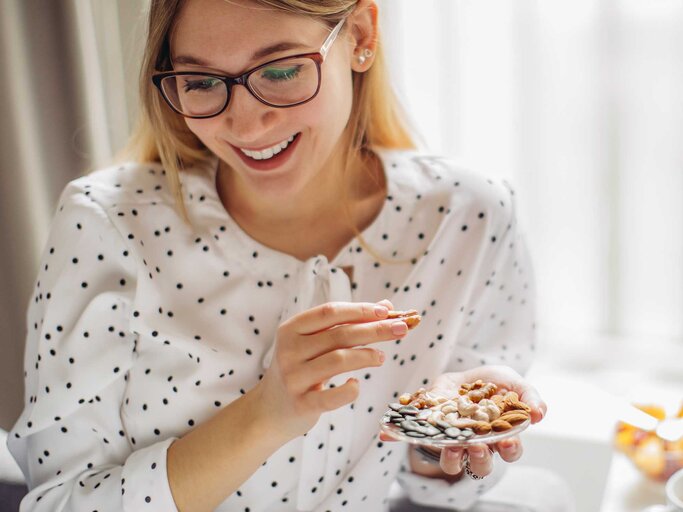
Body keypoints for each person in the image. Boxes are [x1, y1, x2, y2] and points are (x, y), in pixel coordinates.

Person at [7, 0, 552, 511]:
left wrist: (445, 437)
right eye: (200, 81)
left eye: (280, 71)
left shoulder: (470, 216)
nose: (244, 125)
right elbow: (59, 502)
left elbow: (438, 491)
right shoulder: (107, 224)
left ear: (361, 35)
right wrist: (264, 416)